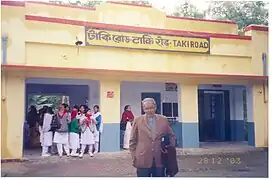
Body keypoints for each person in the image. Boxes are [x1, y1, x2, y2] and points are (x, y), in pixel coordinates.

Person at [129, 98, 176, 177]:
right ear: (143, 109)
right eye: (146, 108)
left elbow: (171, 135)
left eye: (151, 108)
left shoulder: (163, 119)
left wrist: (170, 148)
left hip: (160, 159)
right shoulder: (137, 120)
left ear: (155, 107)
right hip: (142, 158)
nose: (149, 111)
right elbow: (132, 141)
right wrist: (134, 157)